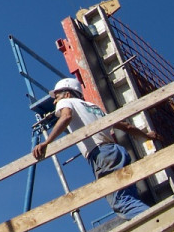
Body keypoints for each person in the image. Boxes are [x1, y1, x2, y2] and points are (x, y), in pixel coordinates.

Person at [32, 77, 160, 220]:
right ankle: (155, 218)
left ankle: (160, 219)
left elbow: (66, 116)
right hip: (117, 151)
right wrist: (146, 136)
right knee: (129, 197)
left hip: (102, 155)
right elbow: (126, 126)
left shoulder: (65, 102)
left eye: (56, 97)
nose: (55, 101)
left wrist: (46, 143)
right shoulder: (95, 108)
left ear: (67, 94)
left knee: (121, 203)